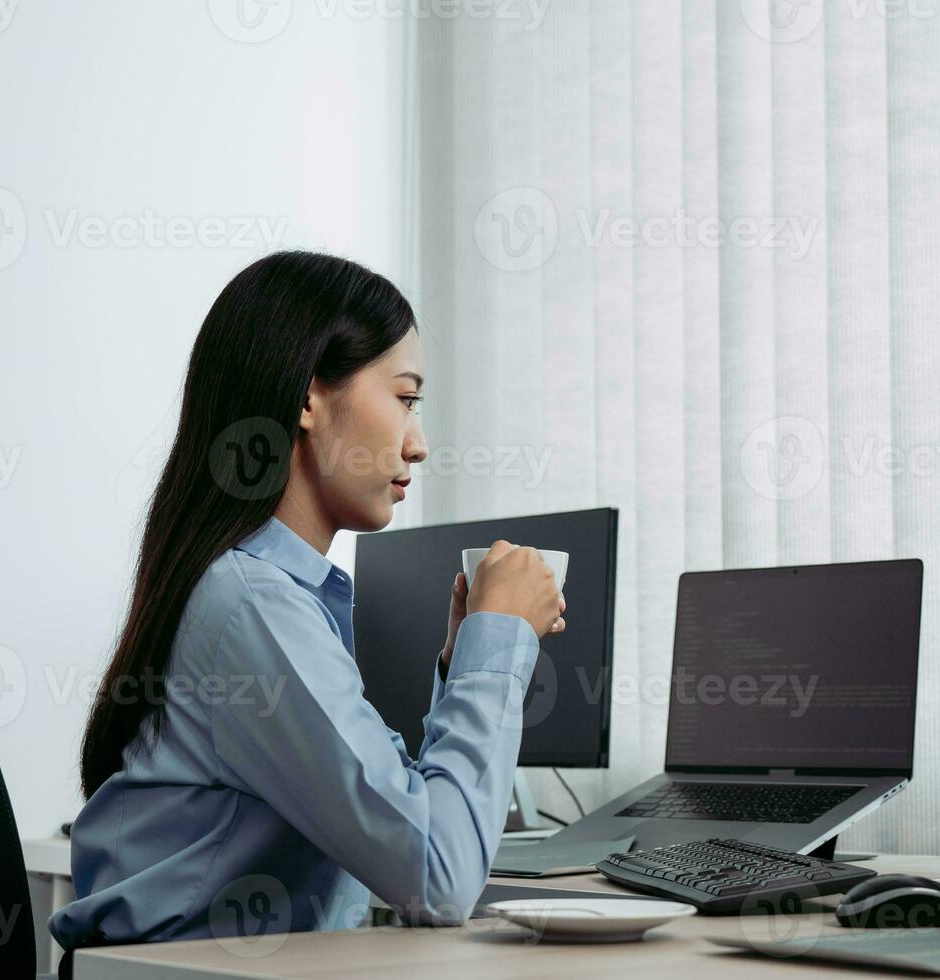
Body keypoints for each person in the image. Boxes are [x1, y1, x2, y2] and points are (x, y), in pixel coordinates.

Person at [49, 251, 565, 969]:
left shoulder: (257, 592)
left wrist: (461, 658)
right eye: (405, 397)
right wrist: (499, 640)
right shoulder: (252, 606)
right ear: (307, 398)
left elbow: (395, 814)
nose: (417, 444)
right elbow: (439, 876)